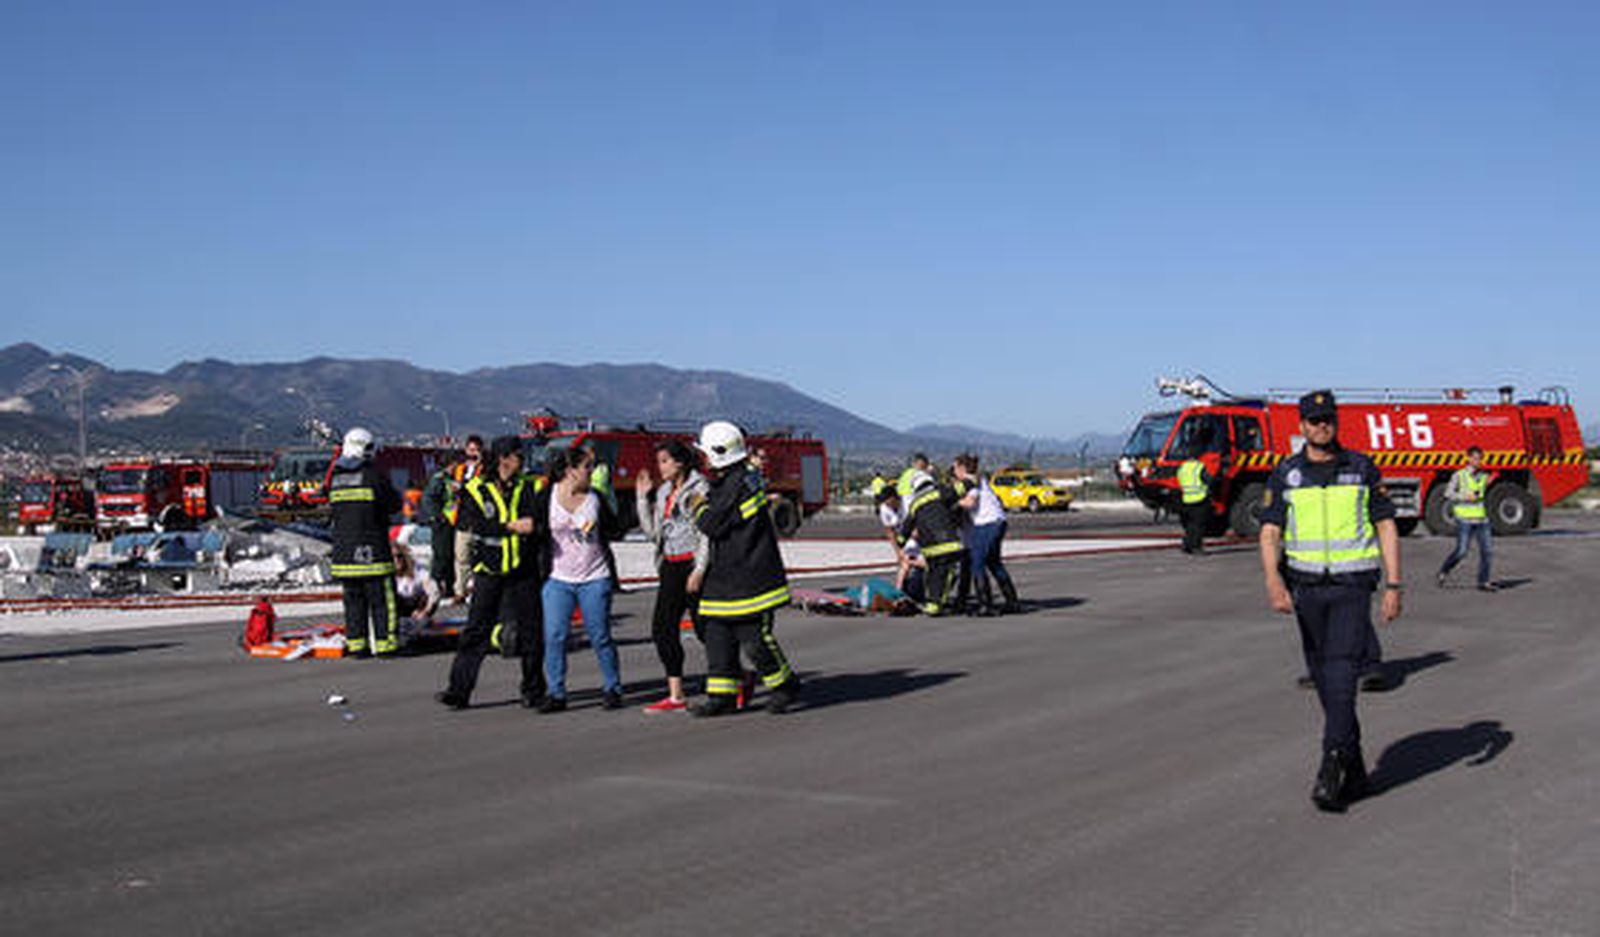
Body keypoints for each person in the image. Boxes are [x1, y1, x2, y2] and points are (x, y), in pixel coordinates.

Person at [1259, 390, 1404, 813]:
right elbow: (1270, 532)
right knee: (1324, 678)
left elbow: (1386, 526)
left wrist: (1394, 586)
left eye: (1328, 419)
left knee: (1341, 671)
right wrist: (1272, 581)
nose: (1322, 426)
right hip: (1305, 590)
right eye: (1314, 420)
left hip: (1351, 587)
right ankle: (1356, 773)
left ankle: (1331, 761)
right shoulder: (1286, 474)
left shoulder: (1360, 469)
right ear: (1301, 426)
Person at [688, 420, 802, 717]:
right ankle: (722, 696)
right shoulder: (735, 480)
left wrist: (697, 504)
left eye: (705, 453)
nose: (701, 458)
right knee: (717, 637)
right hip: (727, 575)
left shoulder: (736, 483)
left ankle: (785, 685)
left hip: (750, 578)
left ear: (717, 453)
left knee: (754, 639)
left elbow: (711, 523)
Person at [436, 435, 545, 710]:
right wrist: (509, 526)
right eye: (518, 455)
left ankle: (533, 690)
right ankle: (458, 690)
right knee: (475, 632)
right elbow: (474, 525)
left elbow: (540, 523)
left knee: (531, 633)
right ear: (503, 458)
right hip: (489, 570)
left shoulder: (531, 486)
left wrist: (532, 528)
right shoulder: (476, 489)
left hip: (523, 570)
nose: (522, 460)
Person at [535, 447, 626, 713]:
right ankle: (556, 692)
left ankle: (612, 688)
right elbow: (536, 528)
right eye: (587, 467)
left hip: (594, 576)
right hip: (557, 577)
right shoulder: (546, 497)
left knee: (600, 635)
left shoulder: (594, 498)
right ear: (570, 471)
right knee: (554, 636)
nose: (592, 471)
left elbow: (615, 528)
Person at [636, 439, 710, 713]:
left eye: (664, 461)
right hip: (669, 566)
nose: (660, 467)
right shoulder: (665, 490)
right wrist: (642, 498)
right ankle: (676, 694)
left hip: (692, 566)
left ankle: (734, 676)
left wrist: (700, 569)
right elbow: (653, 534)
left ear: (679, 462)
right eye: (659, 462)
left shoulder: (700, 487)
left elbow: (705, 533)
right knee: (663, 629)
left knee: (705, 630)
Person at [328, 427, 404, 657]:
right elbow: (393, 504)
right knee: (383, 601)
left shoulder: (336, 478)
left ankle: (357, 645)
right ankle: (386, 645)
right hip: (373, 551)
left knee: (353, 603)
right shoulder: (373, 475)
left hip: (343, 552)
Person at [953, 454, 1021, 615]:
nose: (954, 471)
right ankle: (1012, 601)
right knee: (993, 562)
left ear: (962, 468)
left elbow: (970, 502)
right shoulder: (977, 479)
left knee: (977, 562)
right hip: (997, 522)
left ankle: (986, 604)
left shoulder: (970, 480)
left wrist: (953, 502)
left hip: (988, 524)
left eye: (955, 467)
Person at [896, 466, 967, 616]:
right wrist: (971, 481)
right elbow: (960, 490)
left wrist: (901, 543)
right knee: (947, 574)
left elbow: (905, 528)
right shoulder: (940, 492)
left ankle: (932, 603)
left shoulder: (915, 504)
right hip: (948, 544)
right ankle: (938, 603)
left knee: (933, 574)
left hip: (929, 548)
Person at [1437, 446, 1497, 592]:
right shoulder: (1459, 475)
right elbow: (1448, 493)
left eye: (1480, 459)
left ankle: (1483, 581)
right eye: (1475, 458)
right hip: (1464, 519)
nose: (1478, 461)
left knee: (1487, 551)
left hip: (1481, 519)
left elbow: (1482, 492)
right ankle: (1444, 570)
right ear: (1469, 459)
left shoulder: (1483, 476)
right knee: (1462, 551)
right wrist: (1464, 497)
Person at [450, 435, 485, 603]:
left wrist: (479, 464)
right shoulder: (460, 469)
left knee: (480, 557)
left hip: (479, 519)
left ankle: (478, 588)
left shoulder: (485, 469)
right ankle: (460, 590)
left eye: (476, 450)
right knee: (461, 557)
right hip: (463, 518)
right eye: (471, 450)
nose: (473, 454)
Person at [421, 451, 461, 598]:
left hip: (452, 522)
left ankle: (449, 587)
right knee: (441, 555)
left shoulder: (451, 479)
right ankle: (436, 586)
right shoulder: (439, 479)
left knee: (450, 555)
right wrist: (439, 516)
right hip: (441, 523)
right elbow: (428, 499)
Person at [1177, 449, 1216, 555]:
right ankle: (1196, 547)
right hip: (1199, 498)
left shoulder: (1182, 467)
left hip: (1186, 499)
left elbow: (1180, 481)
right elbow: (1208, 480)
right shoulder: (1199, 467)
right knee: (1199, 525)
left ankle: (1187, 545)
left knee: (1190, 525)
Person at [392, 543, 442, 624]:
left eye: (399, 556)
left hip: (417, 611)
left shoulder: (418, 572)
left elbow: (434, 592)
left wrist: (425, 611)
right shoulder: (387, 576)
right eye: (392, 557)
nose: (396, 560)